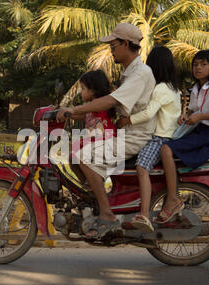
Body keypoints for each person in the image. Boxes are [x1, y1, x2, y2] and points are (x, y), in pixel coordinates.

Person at [57, 23, 156, 239]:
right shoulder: (129, 73)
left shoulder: (139, 73)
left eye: (114, 45)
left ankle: (106, 213)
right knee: (73, 154)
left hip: (134, 137)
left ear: (127, 44)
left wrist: (72, 109)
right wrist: (68, 113)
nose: (111, 49)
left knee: (84, 156)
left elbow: (110, 101)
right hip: (125, 133)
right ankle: (95, 197)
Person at [156, 50, 209, 224]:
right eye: (195, 64)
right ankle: (172, 194)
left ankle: (173, 198)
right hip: (197, 131)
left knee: (166, 149)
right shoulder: (197, 88)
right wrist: (185, 114)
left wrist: (201, 116)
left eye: (203, 64)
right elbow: (193, 109)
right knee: (164, 147)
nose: (198, 68)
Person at [117, 46, 181, 232]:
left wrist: (127, 120)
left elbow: (148, 113)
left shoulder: (160, 88)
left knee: (142, 167)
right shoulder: (174, 89)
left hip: (159, 138)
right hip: (168, 137)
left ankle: (144, 214)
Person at [68, 70, 117, 185]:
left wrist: (69, 111)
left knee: (76, 156)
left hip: (103, 142)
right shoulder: (92, 106)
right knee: (72, 157)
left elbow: (81, 113)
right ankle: (87, 184)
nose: (81, 92)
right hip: (94, 141)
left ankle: (92, 185)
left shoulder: (97, 104)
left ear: (93, 90)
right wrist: (62, 112)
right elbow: (80, 115)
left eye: (83, 88)